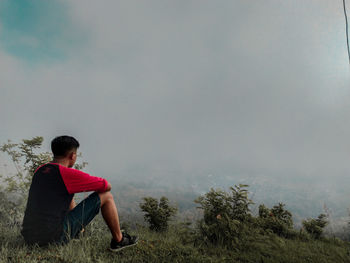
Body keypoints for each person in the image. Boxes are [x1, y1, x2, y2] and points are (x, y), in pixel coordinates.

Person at [21, 135, 138, 251]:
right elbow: (106, 185)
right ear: (72, 155)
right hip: (52, 238)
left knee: (67, 193)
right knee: (106, 196)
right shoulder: (66, 174)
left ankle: (77, 233)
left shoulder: (40, 170)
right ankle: (119, 240)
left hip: (29, 237)